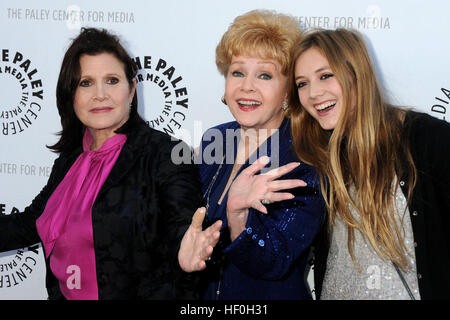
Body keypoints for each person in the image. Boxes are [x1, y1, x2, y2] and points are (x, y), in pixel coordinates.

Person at [0, 27, 202, 300]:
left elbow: (187, 236)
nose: (100, 94)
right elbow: (30, 223)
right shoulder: (70, 160)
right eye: (86, 83)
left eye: (112, 80)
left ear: (131, 91)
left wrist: (188, 255)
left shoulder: (165, 155)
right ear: (71, 95)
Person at [289, 28, 450, 299]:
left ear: (357, 74)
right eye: (302, 83)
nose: (313, 93)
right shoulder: (317, 156)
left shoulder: (427, 139)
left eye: (326, 75)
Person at [179, 9, 325, 300]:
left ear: (287, 92)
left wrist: (238, 216)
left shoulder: (304, 158)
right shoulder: (213, 139)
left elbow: (275, 259)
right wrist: (182, 249)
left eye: (264, 75)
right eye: (238, 72)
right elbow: (189, 231)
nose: (247, 86)